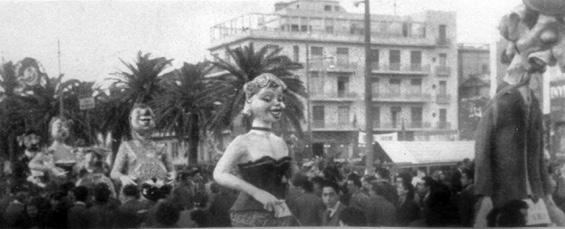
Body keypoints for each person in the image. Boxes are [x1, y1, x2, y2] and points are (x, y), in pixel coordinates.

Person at [213, 73, 293, 227]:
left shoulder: (281, 142)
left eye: (280, 99)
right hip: (249, 216)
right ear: (250, 101)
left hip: (281, 215)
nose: (278, 104)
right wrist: (256, 192)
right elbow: (219, 173)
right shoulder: (243, 141)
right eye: (267, 99)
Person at [111, 103, 176, 188]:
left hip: (160, 192)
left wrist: (173, 174)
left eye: (148, 119)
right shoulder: (126, 146)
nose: (146, 122)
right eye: (143, 119)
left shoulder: (161, 147)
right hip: (137, 192)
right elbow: (114, 173)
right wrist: (123, 177)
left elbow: (171, 170)